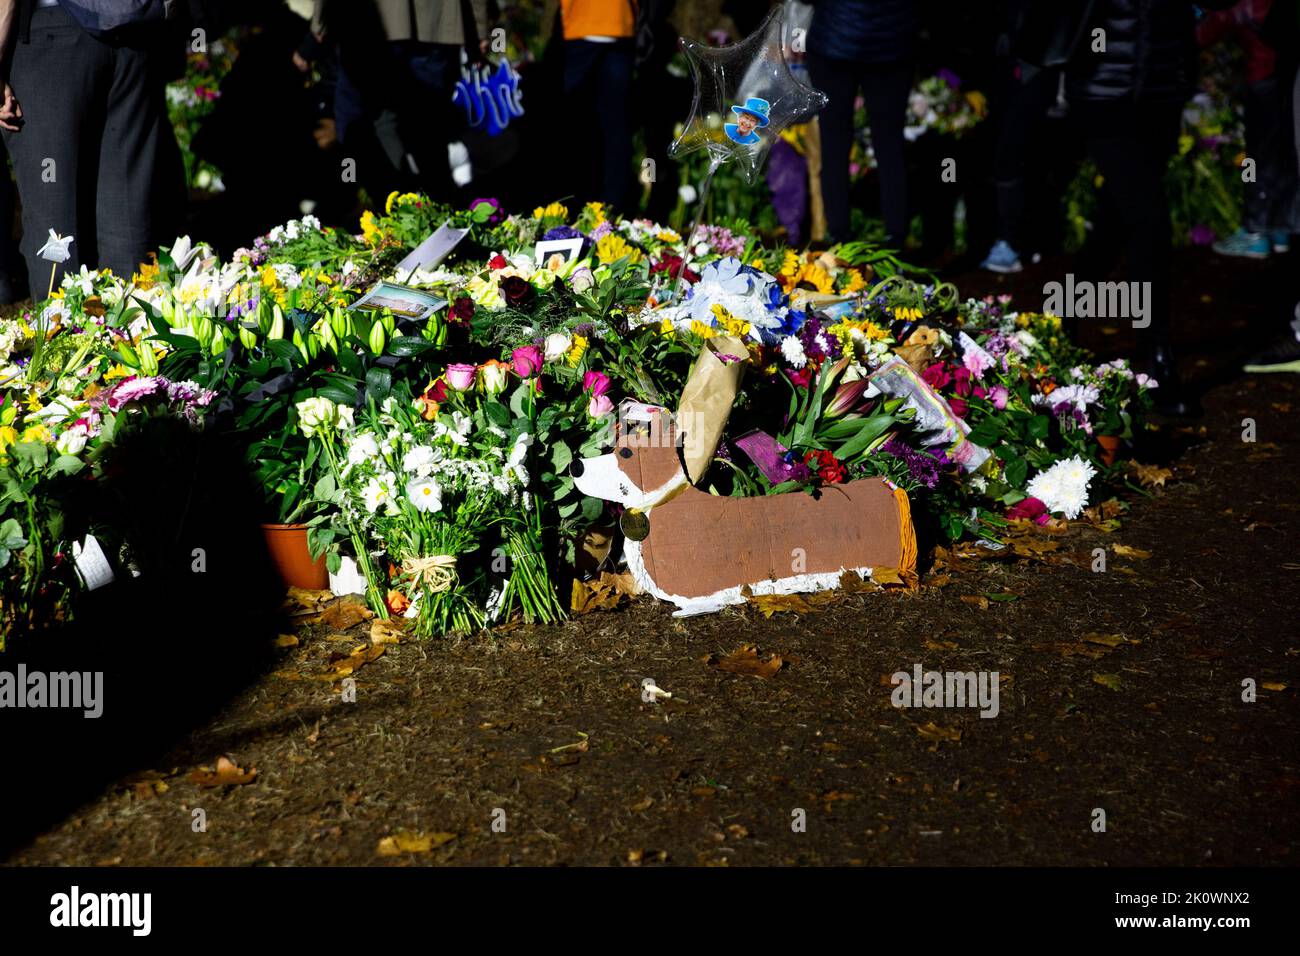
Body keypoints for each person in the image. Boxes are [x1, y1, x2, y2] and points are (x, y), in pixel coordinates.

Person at [1018, 0, 1235, 418]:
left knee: (1117, 222)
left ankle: (1061, 310)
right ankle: (1157, 359)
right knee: (1150, 220)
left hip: (1163, 89)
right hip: (1103, 92)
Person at [0, 0, 180, 286]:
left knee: (56, 239)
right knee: (128, 231)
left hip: (52, 38)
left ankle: (65, 328)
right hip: (133, 35)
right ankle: (132, 325)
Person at [306, 0, 488, 205]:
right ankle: (441, 209)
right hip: (435, 22)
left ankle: (401, 212)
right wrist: (478, 25)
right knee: (425, 125)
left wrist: (320, 21)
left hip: (372, 22)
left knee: (361, 121)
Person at [806, 0, 919, 247]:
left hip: (835, 39)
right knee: (890, 143)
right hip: (893, 41)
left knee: (834, 141)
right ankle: (895, 239)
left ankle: (838, 240)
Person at [1199, 0, 1296, 259]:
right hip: (1287, 77)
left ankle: (1255, 232)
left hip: (1264, 77)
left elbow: (1212, 28)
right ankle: (1279, 228)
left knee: (1257, 158)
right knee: (1283, 153)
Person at [559, 0, 637, 211]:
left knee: (574, 122)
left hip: (582, 22)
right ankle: (614, 208)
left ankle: (573, 202)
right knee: (617, 126)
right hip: (619, 21)